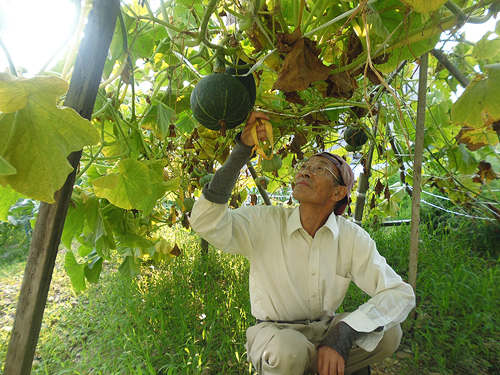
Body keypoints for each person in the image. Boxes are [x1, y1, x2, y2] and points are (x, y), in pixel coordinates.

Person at [190, 111, 416, 375]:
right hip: (275, 336)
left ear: (338, 192)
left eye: (319, 169)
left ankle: (320, 363)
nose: (306, 171)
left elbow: (400, 294)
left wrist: (344, 331)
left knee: (389, 335)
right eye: (305, 167)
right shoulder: (265, 222)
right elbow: (205, 222)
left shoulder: (351, 236)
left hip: (326, 330)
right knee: (290, 351)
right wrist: (241, 152)